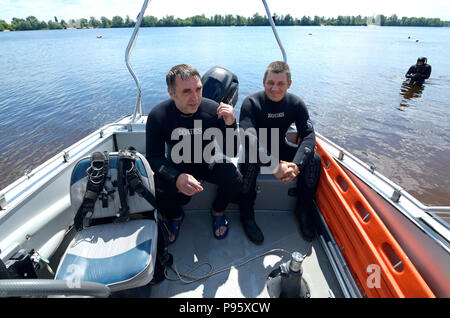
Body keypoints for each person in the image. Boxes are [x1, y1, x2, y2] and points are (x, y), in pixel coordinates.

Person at [146, 64, 252, 244]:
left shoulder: (213, 110)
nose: (195, 98)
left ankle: (217, 211)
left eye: (198, 89)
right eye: (187, 91)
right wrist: (176, 177)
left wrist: (231, 125)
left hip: (208, 163)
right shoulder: (158, 116)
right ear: (172, 94)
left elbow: (232, 151)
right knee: (157, 186)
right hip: (178, 165)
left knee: (235, 179)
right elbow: (154, 158)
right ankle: (176, 216)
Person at [239, 61, 321, 243]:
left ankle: (303, 210)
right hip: (255, 150)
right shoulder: (251, 103)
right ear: (263, 82)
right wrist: (274, 166)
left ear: (289, 84)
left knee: (314, 160)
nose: (274, 88)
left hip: (280, 146)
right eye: (270, 83)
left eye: (280, 83)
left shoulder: (295, 104)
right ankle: (247, 216)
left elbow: (308, 136)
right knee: (251, 162)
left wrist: (296, 166)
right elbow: (249, 138)